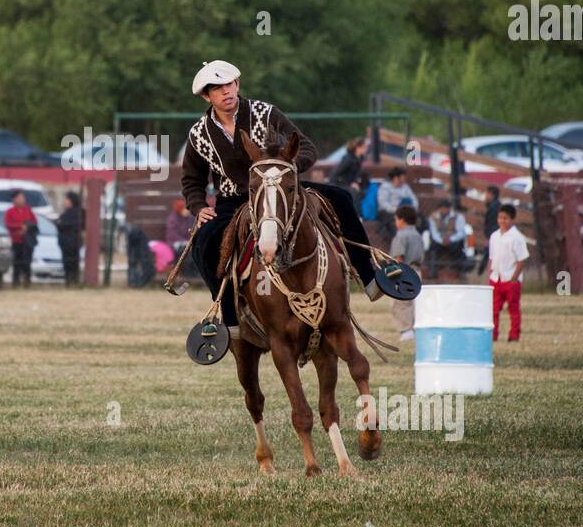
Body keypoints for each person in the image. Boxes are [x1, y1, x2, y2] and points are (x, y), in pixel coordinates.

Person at [181, 60, 400, 342]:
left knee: (341, 198)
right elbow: (191, 180)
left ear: (237, 84)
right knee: (204, 241)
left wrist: (287, 166)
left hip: (282, 190)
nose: (226, 92)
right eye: (217, 88)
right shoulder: (199, 134)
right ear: (206, 96)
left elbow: (306, 147)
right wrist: (198, 207)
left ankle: (369, 276)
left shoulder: (265, 112)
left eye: (229, 85)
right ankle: (228, 315)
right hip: (234, 200)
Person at [488, 203, 529, 341]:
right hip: (496, 278)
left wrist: (514, 278)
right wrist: (491, 274)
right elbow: (492, 257)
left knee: (513, 309)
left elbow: (522, 259)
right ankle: (493, 335)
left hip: (510, 280)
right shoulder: (494, 236)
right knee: (493, 309)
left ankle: (514, 335)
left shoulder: (517, 237)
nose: (502, 221)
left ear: (512, 220)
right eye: (500, 218)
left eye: (505, 218)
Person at [388, 205, 425, 341]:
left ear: (402, 220)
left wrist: (395, 275)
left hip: (404, 271)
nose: (396, 222)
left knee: (401, 302)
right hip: (417, 271)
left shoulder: (401, 235)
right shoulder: (417, 235)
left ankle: (406, 330)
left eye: (396, 219)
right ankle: (414, 328)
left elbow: (399, 257)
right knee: (414, 302)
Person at [4, 191, 38, 287]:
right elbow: (8, 224)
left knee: (27, 262)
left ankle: (27, 282)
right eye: (19, 198)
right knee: (16, 263)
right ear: (14, 199)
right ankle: (16, 282)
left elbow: (34, 222)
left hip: (27, 241)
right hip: (16, 241)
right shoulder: (10, 212)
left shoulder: (28, 210)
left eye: (23, 198)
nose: (22, 200)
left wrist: (27, 227)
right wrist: (20, 227)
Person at [427, 197, 467, 276]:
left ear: (449, 209)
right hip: (439, 241)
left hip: (453, 241)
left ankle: (459, 270)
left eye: (445, 208)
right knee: (432, 247)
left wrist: (450, 239)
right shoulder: (433, 217)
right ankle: (433, 270)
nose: (443, 211)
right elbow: (434, 233)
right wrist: (442, 241)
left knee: (459, 246)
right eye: (442, 209)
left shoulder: (458, 216)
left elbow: (461, 233)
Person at [376, 167, 417, 242]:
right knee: (396, 221)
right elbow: (383, 203)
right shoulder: (385, 187)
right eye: (402, 177)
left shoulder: (405, 187)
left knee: (419, 220)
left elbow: (413, 199)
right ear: (396, 178)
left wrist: (412, 209)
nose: (404, 179)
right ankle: (400, 241)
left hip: (405, 211)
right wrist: (395, 209)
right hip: (388, 212)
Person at [57, 190, 84, 287]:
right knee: (67, 263)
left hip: (72, 243)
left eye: (66, 199)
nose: (64, 201)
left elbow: (64, 224)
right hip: (65, 243)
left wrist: (61, 224)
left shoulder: (76, 213)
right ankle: (69, 281)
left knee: (72, 263)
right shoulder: (66, 213)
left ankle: (72, 281)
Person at [477, 185, 501, 277]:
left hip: (494, 237)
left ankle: (481, 274)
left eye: (487, 193)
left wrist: (490, 237)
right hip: (493, 236)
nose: (485, 196)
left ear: (492, 194)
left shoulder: (494, 208)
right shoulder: (494, 206)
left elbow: (493, 225)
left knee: (489, 256)